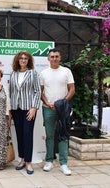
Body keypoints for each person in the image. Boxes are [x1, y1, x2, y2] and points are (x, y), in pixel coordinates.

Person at [40, 48, 75, 176]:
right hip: (48, 108)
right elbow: (41, 91)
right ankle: (49, 160)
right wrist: (47, 103)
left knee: (63, 135)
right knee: (49, 135)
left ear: (60, 58)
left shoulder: (66, 71)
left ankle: (64, 164)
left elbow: (72, 89)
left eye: (56, 56)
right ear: (48, 59)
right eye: (52, 56)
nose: (54, 58)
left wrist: (63, 103)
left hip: (63, 109)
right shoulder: (43, 73)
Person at [9, 51, 41, 175]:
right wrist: (10, 110)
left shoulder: (33, 73)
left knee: (27, 134)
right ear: (17, 60)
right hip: (16, 109)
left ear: (29, 61)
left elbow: (37, 91)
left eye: (26, 58)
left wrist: (34, 108)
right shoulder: (13, 74)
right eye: (21, 58)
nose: (23, 60)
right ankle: (22, 159)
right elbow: (12, 92)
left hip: (29, 109)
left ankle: (28, 162)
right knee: (19, 134)